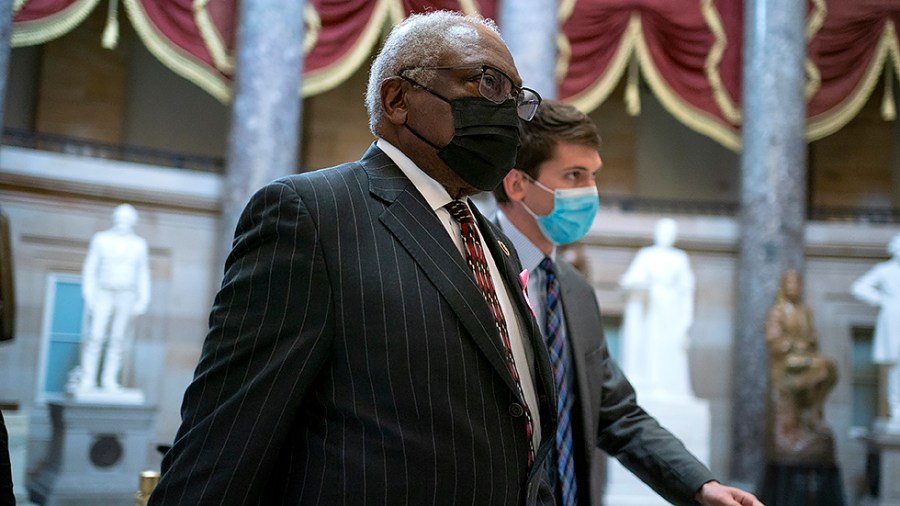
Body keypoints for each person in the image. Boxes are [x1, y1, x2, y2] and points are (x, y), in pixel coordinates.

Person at [151, 11, 560, 505]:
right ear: (397, 99)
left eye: (518, 99)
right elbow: (223, 443)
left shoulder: (495, 240)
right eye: (488, 83)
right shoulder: (311, 215)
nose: (509, 113)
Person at [493, 100, 762, 505]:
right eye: (573, 175)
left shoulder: (575, 291)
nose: (590, 191)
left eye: (593, 175)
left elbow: (616, 413)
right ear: (517, 185)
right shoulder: (473, 271)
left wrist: (700, 486)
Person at [619, 217, 696, 398]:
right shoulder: (647, 255)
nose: (666, 236)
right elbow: (630, 279)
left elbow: (687, 290)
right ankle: (651, 383)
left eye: (670, 232)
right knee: (651, 346)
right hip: (650, 309)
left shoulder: (680, 258)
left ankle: (670, 386)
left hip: (671, 310)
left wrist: (686, 321)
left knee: (671, 348)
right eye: (663, 231)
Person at [77, 203, 150, 391]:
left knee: (118, 339)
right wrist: (89, 294)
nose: (122, 222)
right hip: (104, 291)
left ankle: (109, 379)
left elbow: (143, 272)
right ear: (114, 218)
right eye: (120, 217)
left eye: (127, 219)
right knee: (95, 336)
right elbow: (90, 268)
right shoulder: (101, 239)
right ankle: (88, 378)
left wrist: (143, 299)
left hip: (127, 293)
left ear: (133, 222)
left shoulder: (139, 245)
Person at [851, 234, 900, 422]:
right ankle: (896, 409)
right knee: (896, 365)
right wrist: (882, 301)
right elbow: (859, 287)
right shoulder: (884, 270)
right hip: (893, 318)